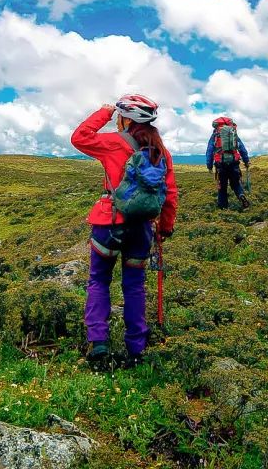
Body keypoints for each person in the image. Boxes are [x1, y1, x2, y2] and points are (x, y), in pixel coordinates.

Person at [71, 94, 178, 367]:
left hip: (109, 223)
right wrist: (164, 228)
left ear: (126, 118)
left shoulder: (113, 143)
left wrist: (104, 111)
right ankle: (136, 349)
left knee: (98, 281)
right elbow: (170, 194)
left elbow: (80, 137)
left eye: (119, 115)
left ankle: (99, 345)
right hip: (141, 229)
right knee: (134, 287)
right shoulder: (160, 151)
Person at [206, 116, 250, 209]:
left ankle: (223, 208)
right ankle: (241, 195)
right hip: (234, 163)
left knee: (222, 187)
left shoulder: (215, 135)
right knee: (236, 183)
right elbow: (241, 148)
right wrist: (246, 161)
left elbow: (209, 150)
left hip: (220, 165)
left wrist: (209, 166)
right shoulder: (233, 133)